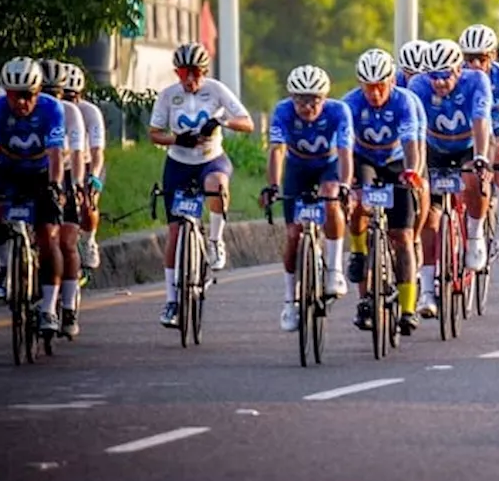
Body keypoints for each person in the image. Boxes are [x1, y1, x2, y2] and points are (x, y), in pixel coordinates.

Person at [148, 42, 254, 329]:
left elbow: (247, 122)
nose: (190, 79)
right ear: (177, 72)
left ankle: (216, 241)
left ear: (204, 71)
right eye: (183, 72)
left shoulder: (216, 90)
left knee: (216, 183)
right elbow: (154, 134)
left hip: (211, 160)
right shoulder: (168, 96)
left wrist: (220, 121)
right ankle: (172, 301)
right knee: (174, 231)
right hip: (179, 163)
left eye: (195, 72)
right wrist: (176, 140)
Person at [0, 58, 67, 332]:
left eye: (28, 95)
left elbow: (55, 154)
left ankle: (49, 308)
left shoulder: (52, 109)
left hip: (40, 173)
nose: (22, 102)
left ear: (38, 92)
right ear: (7, 92)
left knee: (48, 237)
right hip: (8, 170)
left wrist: (54, 185)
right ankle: (4, 265)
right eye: (15, 95)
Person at [260, 66, 352, 332]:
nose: (307, 106)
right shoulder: (283, 111)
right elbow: (276, 151)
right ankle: (290, 301)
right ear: (291, 98)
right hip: (297, 169)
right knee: (292, 235)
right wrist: (274, 186)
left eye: (314, 99)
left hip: (329, 166)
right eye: (300, 99)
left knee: (331, 197)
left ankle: (334, 270)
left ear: (325, 98)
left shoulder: (338, 111)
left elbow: (346, 152)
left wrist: (345, 185)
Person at [342, 49, 426, 334]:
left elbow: (412, 145)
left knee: (402, 236)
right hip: (364, 159)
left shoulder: (404, 102)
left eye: (381, 86)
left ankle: (408, 307)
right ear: (359, 83)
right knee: (359, 203)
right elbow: (342, 147)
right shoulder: (350, 104)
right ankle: (358, 257)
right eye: (368, 86)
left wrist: (412, 172)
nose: (375, 93)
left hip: (396, 161)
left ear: (391, 81)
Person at [408, 39, 493, 316]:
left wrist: (481, 157)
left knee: (474, 181)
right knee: (429, 218)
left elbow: (481, 120)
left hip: (468, 145)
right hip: (433, 148)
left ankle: (475, 235)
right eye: (434, 76)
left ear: (459, 69)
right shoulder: (418, 86)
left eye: (445, 75)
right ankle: (429, 292)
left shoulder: (476, 80)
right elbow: (415, 132)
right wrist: (416, 171)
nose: (440, 83)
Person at [459, 24, 499, 261]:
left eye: (481, 59)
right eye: (469, 59)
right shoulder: (458, 77)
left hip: (497, 125)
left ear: (493, 56)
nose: (475, 65)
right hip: (468, 127)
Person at [38, 60, 87, 339]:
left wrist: (78, 186)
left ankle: (67, 306)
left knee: (67, 241)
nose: (50, 100)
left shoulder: (70, 112)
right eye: (43, 92)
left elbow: (78, 156)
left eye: (55, 93)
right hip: (29, 172)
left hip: (63, 174)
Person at [61, 66, 107, 272]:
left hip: (87, 162)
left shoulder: (90, 112)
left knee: (88, 203)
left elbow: (97, 151)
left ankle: (89, 240)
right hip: (60, 163)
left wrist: (94, 177)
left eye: (73, 97)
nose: (69, 102)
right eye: (64, 96)